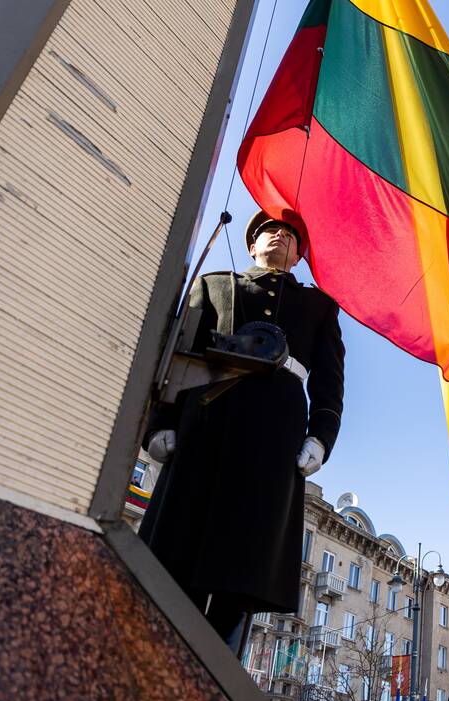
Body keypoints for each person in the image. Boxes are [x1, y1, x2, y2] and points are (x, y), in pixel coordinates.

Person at [140, 210, 344, 650]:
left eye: (289, 234)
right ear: (253, 245)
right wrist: (161, 423)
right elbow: (181, 353)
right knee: (181, 553)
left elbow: (330, 383)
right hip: (206, 427)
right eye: (269, 230)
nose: (278, 235)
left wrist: (321, 438)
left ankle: (215, 667)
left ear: (298, 255)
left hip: (274, 441)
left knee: (246, 567)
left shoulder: (318, 307)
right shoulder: (215, 285)